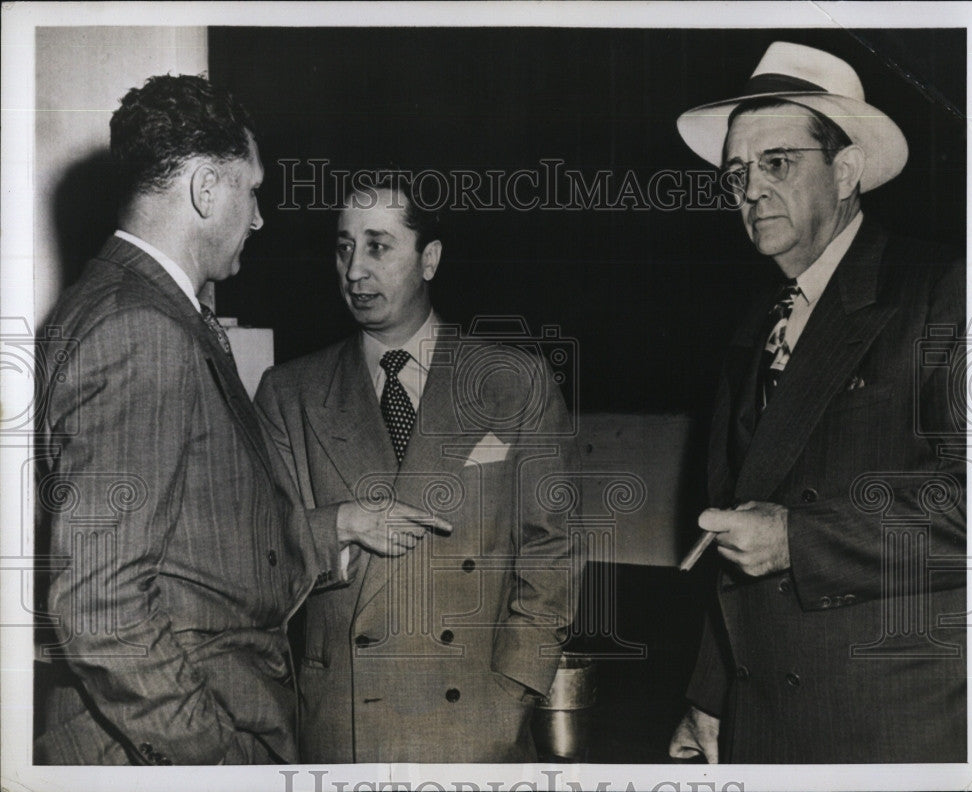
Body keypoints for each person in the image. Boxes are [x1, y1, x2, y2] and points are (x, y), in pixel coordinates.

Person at [668, 42, 966, 763]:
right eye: (737, 171)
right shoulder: (755, 324)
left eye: (777, 162)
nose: (749, 189)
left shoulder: (943, 291)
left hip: (891, 722)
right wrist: (711, 692)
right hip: (764, 714)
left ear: (847, 169)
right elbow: (737, 524)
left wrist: (799, 541)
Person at [34, 74, 336, 765]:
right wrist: (215, 757)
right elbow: (101, 606)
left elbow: (196, 547)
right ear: (206, 189)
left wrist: (326, 530)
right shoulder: (142, 329)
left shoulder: (117, 303)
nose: (258, 218)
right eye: (251, 190)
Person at [254, 173, 581, 762]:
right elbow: (257, 557)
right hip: (345, 729)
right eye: (344, 247)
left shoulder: (516, 382)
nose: (354, 270)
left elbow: (551, 555)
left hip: (480, 726)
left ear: (428, 259)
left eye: (378, 246)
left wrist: (511, 697)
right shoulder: (288, 393)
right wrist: (340, 524)